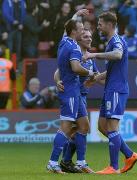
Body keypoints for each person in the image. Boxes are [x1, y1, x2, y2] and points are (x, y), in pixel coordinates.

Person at [83, 11, 137, 174]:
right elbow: (112, 70)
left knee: (112, 128)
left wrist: (93, 54)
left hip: (116, 90)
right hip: (110, 89)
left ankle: (113, 167)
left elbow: (118, 54)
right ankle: (129, 155)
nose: (98, 26)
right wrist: (96, 78)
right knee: (102, 126)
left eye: (100, 23)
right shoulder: (110, 42)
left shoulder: (116, 41)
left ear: (109, 24)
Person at [46, 9, 95, 174]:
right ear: (74, 31)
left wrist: (76, 15)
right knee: (66, 128)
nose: (83, 30)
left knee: (84, 125)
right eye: (81, 28)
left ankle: (81, 162)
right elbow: (75, 67)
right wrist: (89, 73)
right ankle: (53, 162)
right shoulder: (74, 47)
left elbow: (67, 28)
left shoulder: (64, 40)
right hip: (71, 92)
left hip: (73, 92)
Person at [53, 29, 100, 173]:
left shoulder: (90, 58)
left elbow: (96, 76)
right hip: (74, 95)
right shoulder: (75, 54)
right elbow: (58, 72)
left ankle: (67, 161)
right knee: (81, 128)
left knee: (81, 129)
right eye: (86, 36)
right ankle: (71, 161)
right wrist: (58, 81)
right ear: (78, 39)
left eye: (91, 36)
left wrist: (111, 73)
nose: (89, 39)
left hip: (82, 96)